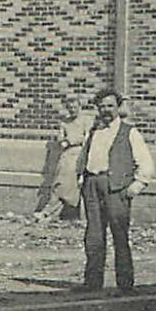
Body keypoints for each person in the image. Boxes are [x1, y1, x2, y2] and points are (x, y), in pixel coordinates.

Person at [76, 87, 154, 294]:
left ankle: (125, 284)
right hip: (93, 186)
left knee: (120, 236)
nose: (106, 110)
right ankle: (92, 283)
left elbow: (145, 163)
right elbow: (85, 156)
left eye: (110, 106)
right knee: (93, 236)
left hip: (116, 189)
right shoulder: (94, 132)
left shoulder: (130, 132)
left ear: (118, 107)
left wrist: (136, 186)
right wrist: (81, 179)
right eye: (102, 107)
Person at [36, 94, 96, 222]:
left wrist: (72, 141)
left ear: (80, 106)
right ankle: (49, 213)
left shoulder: (87, 120)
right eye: (69, 107)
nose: (72, 109)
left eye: (74, 107)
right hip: (66, 156)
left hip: (79, 154)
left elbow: (87, 139)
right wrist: (64, 141)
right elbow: (60, 139)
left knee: (75, 184)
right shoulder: (64, 122)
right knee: (60, 183)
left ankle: (53, 213)